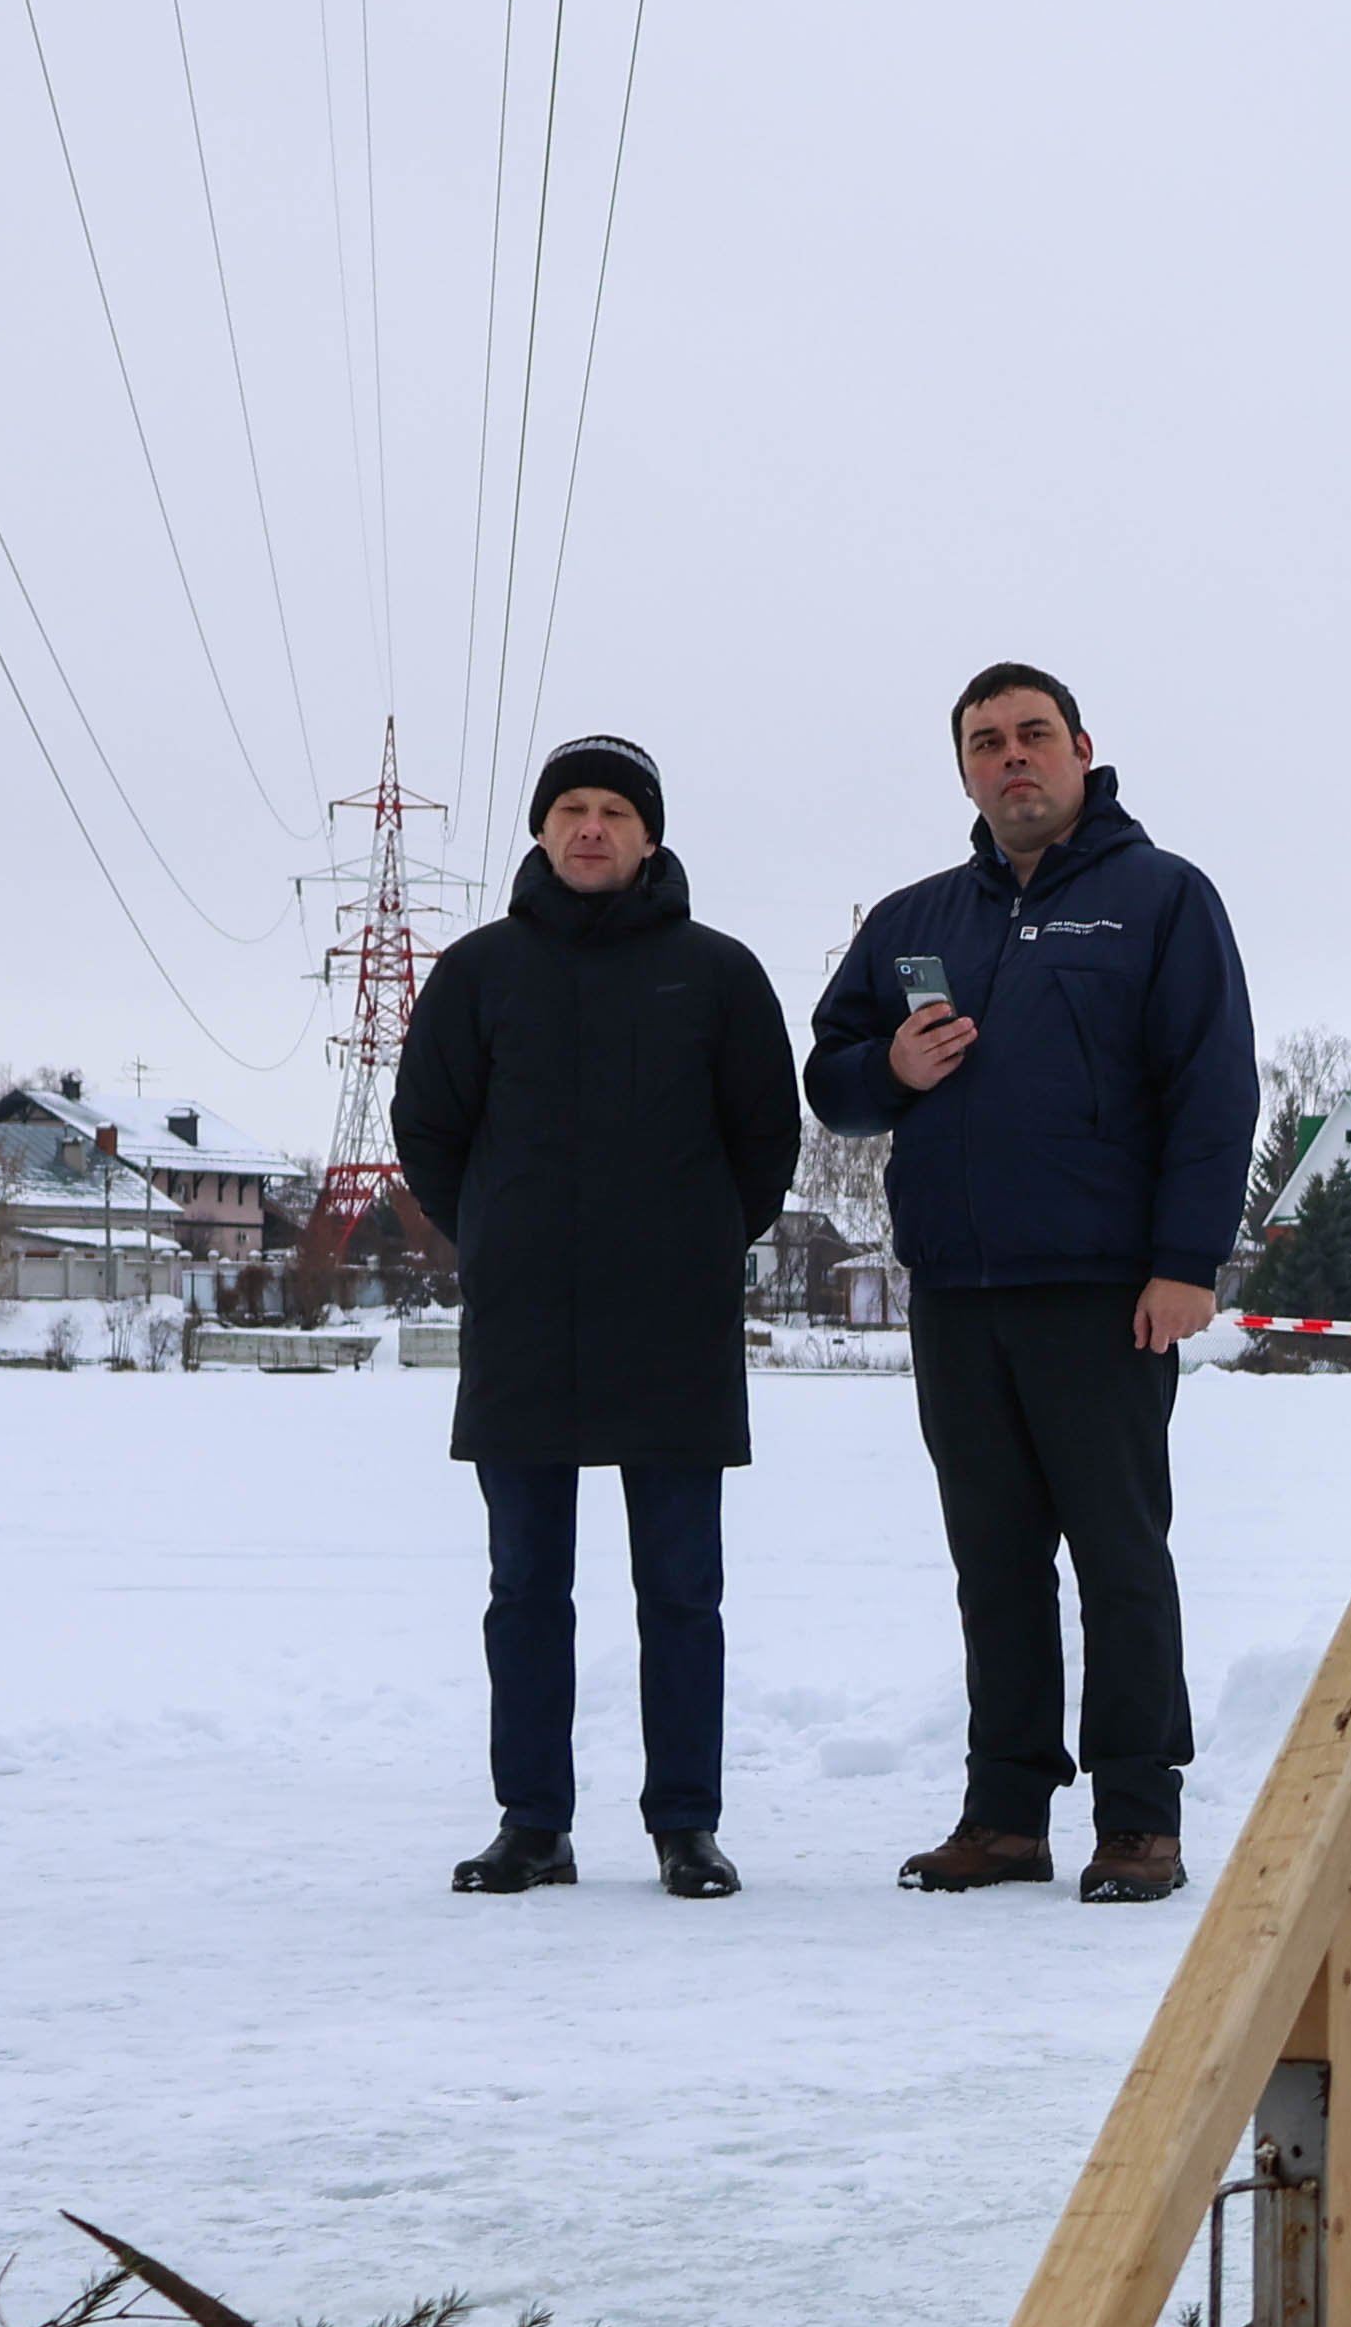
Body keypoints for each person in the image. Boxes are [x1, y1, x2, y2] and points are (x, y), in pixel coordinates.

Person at [804, 663, 1253, 1905]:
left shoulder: (1161, 899)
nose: (1014, 758)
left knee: (1119, 1555)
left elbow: (1213, 1090)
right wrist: (888, 1063)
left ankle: (1137, 1818)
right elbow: (831, 1075)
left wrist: (1183, 1263)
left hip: (1107, 1290)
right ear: (962, 768)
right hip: (957, 1287)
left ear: (1082, 749)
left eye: (1034, 736)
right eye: (987, 741)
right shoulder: (916, 917)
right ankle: (1004, 1815)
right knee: (992, 1560)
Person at [393, 733, 799, 1898]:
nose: (590, 826)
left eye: (614, 809)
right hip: (526, 1325)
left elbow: (765, 1135)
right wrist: (501, 1227)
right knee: (526, 1586)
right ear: (538, 830)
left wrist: (708, 1234)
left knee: (680, 1588)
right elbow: (428, 1126)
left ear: (651, 835)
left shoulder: (717, 974)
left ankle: (686, 1822)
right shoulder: (478, 973)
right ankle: (534, 1822)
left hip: (675, 1323)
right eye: (569, 807)